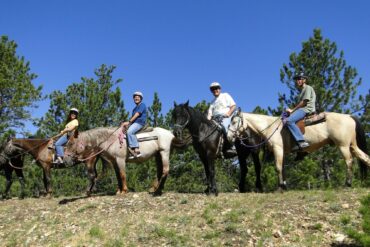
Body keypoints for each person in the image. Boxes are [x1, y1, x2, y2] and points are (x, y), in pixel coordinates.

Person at [285, 72, 316, 150]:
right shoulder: (302, 91)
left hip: (306, 109)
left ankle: (301, 142)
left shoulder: (307, 88)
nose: (297, 81)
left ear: (304, 80)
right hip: (303, 109)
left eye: (299, 79)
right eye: (297, 80)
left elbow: (304, 102)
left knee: (289, 121)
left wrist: (292, 110)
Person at [207, 82, 237, 156]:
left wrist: (228, 114)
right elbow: (209, 114)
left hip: (226, 116)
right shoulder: (212, 102)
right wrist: (207, 122)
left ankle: (232, 146)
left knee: (225, 127)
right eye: (213, 89)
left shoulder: (225, 95)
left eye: (216, 88)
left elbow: (233, 106)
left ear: (219, 89)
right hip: (215, 119)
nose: (215, 90)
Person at [121, 91, 147, 159]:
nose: (136, 98)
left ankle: (136, 149)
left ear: (140, 99)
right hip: (135, 123)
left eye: (138, 97)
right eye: (135, 97)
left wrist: (129, 122)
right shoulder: (134, 109)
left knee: (130, 132)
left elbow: (137, 114)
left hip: (139, 123)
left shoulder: (142, 105)